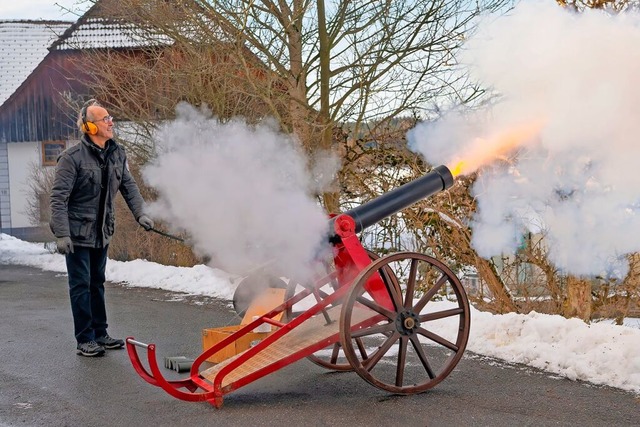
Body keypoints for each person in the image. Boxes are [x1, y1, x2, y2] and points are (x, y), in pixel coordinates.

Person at [50, 99, 154, 357]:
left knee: (97, 283)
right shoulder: (71, 158)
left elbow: (128, 186)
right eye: (104, 119)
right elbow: (58, 198)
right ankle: (84, 339)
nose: (111, 122)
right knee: (80, 285)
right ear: (90, 127)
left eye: (110, 118)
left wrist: (141, 213)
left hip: (102, 231)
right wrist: (62, 234)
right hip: (76, 234)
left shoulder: (117, 153)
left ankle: (100, 333)